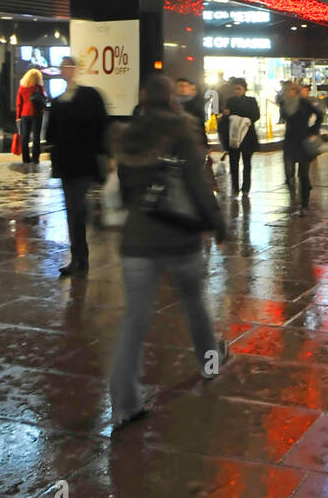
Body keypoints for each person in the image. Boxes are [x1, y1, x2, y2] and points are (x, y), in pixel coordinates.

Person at [109, 74, 228, 430]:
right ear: (173, 99)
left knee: (135, 319)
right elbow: (196, 182)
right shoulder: (182, 130)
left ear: (143, 100)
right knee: (195, 307)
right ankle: (209, 365)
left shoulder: (128, 134)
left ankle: (124, 402)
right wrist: (217, 223)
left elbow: (125, 191)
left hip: (137, 241)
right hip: (179, 237)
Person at [46, 55, 108, 276]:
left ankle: (80, 257)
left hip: (83, 161)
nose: (66, 71)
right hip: (67, 162)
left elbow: (102, 127)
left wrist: (105, 155)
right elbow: (51, 134)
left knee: (75, 207)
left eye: (68, 67)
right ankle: (79, 257)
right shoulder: (59, 101)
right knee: (73, 209)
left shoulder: (89, 96)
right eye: (63, 68)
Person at [282, 81, 321, 214]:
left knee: (303, 174)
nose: (286, 93)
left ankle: (304, 203)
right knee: (289, 171)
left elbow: (319, 115)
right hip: (290, 140)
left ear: (295, 91)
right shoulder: (284, 104)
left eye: (289, 90)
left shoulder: (304, 103)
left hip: (303, 140)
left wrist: (313, 131)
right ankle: (295, 191)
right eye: (285, 91)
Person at [222, 78, 260, 196]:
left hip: (247, 136)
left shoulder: (251, 100)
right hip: (234, 136)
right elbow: (226, 119)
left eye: (239, 88)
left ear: (244, 89)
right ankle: (235, 187)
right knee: (233, 162)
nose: (237, 91)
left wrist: (244, 121)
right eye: (235, 89)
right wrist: (226, 115)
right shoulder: (230, 101)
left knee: (247, 162)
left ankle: (246, 188)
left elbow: (256, 115)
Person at [16, 67, 46, 165]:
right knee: (36, 136)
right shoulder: (38, 88)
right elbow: (44, 98)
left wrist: (18, 116)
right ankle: (35, 159)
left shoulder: (22, 88)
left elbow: (19, 103)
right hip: (37, 114)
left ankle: (25, 159)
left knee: (25, 136)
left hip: (25, 114)